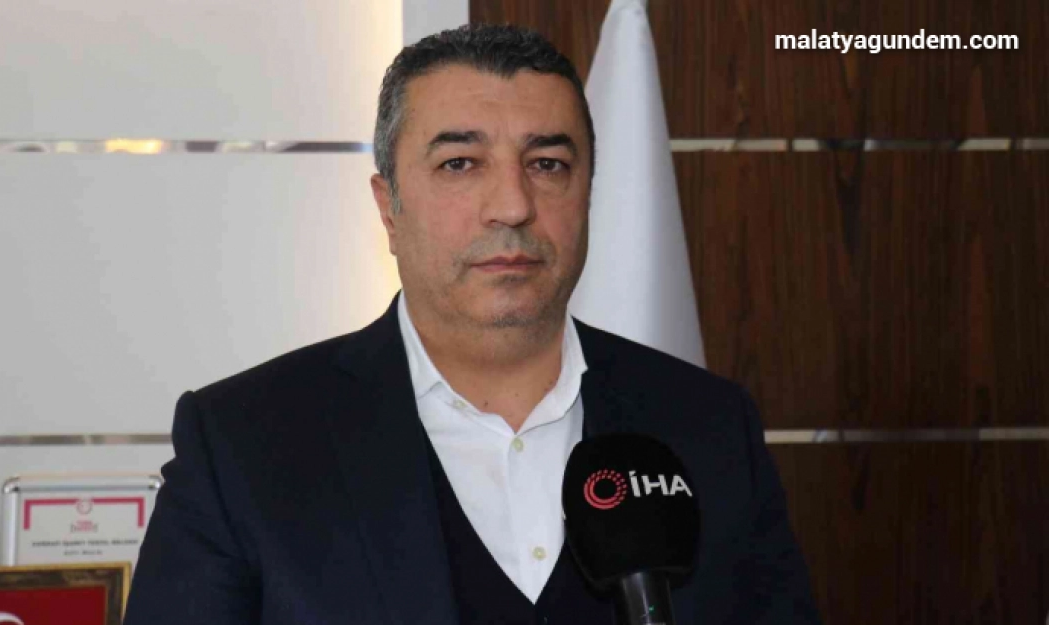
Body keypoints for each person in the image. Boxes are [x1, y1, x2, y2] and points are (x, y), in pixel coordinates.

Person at [124, 24, 821, 625]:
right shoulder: (244, 444)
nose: (512, 205)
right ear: (388, 206)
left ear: (587, 196)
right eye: (460, 163)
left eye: (547, 164)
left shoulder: (710, 428)